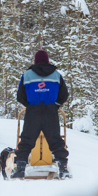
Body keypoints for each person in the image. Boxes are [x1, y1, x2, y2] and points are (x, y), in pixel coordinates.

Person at [14, 50, 70, 179]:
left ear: (35, 60)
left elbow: (20, 96)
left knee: (27, 139)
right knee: (55, 140)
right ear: (47, 60)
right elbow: (64, 94)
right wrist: (55, 105)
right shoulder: (56, 75)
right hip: (50, 111)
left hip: (33, 111)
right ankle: (63, 168)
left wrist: (30, 104)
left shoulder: (27, 75)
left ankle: (20, 168)